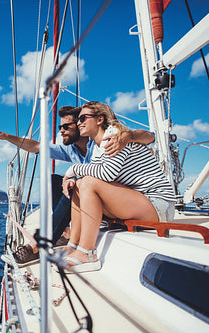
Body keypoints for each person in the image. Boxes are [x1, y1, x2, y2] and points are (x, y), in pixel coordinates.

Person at [0, 105, 155, 267]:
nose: (61, 131)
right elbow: (36, 146)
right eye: (60, 127)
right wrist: (6, 136)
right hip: (93, 199)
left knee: (77, 184)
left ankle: (39, 244)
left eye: (66, 126)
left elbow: (150, 136)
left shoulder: (103, 141)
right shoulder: (71, 150)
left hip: (117, 199)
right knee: (54, 181)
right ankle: (65, 232)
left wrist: (128, 136)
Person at [60, 101, 175, 273]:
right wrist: (72, 177)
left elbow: (107, 174)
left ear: (99, 119)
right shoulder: (98, 148)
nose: (79, 123)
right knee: (79, 184)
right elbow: (94, 173)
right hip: (139, 202)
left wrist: (72, 169)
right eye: (78, 120)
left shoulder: (115, 135)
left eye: (83, 118)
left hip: (158, 204)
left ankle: (87, 253)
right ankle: (73, 244)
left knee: (87, 182)